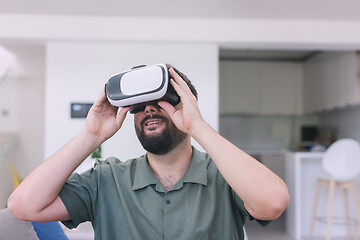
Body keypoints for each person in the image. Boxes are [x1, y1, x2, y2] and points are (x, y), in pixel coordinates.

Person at [8, 65, 290, 239]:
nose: (150, 109)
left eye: (162, 100)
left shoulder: (224, 177)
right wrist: (90, 136)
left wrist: (198, 126)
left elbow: (274, 201)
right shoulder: (107, 179)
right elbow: (23, 206)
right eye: (140, 105)